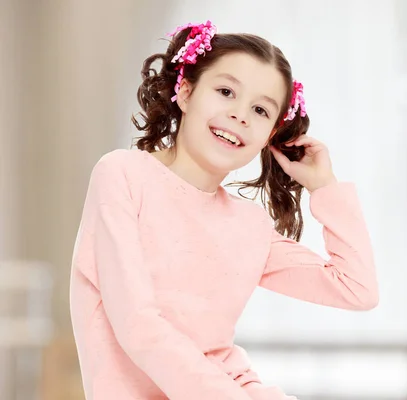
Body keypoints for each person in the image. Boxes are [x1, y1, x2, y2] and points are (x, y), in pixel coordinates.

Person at [69, 20, 379, 400]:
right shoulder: (123, 175)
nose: (240, 115)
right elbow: (138, 325)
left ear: (270, 136)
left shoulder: (249, 224)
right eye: (225, 91)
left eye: (261, 110)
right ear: (184, 91)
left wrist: (324, 186)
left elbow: (358, 290)